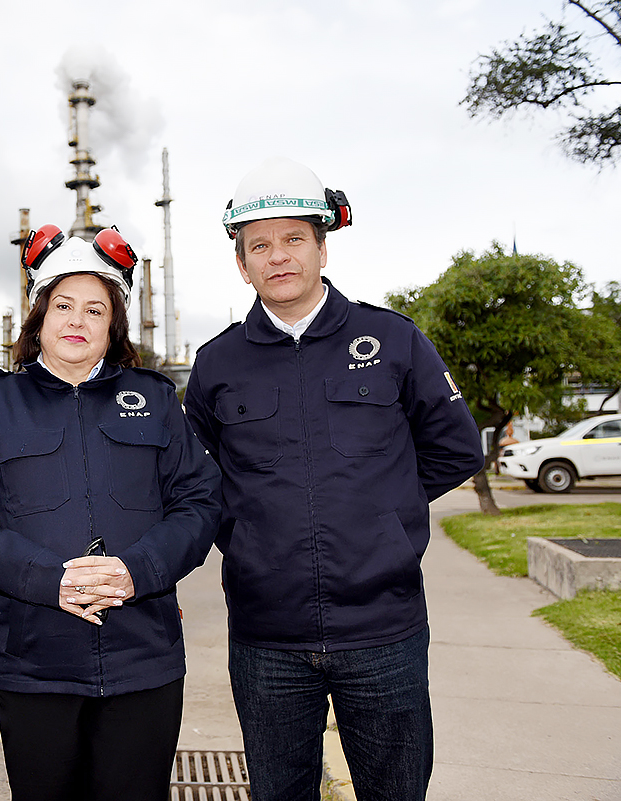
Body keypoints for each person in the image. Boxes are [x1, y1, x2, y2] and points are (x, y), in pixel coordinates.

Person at [184, 158, 484, 801]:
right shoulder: (216, 363)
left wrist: (384, 512)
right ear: (242, 263)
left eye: (294, 238)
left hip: (383, 629)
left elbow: (456, 448)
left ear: (323, 244)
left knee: (395, 791)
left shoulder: (393, 340)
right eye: (258, 245)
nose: (278, 256)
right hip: (268, 633)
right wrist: (245, 536)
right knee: (278, 791)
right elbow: (199, 476)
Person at [0, 225, 221, 801]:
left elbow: (199, 501)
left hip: (143, 659)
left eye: (95, 309)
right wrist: (48, 580)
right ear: (39, 317)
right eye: (63, 305)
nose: (77, 320)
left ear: (112, 324)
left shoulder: (156, 398)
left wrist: (136, 571)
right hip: (35, 660)